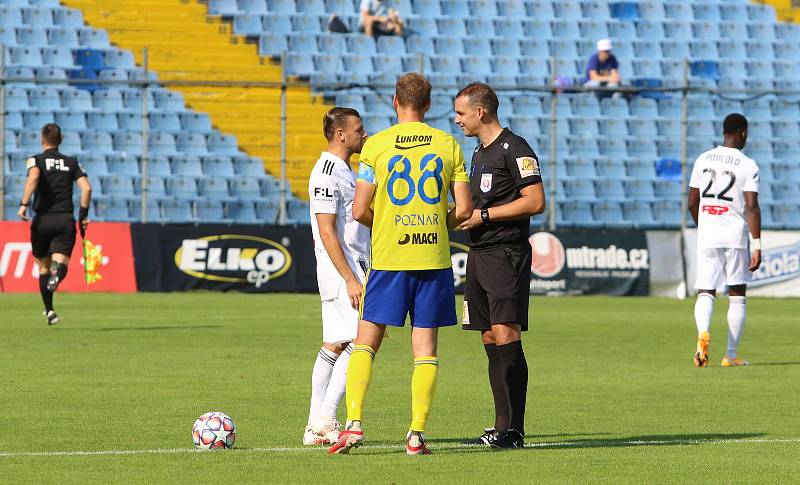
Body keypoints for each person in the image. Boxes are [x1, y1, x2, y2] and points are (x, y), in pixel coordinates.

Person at [328, 73, 473, 455]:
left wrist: (391, 224)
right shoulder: (448, 145)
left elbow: (359, 210)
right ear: (428, 105)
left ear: (395, 102)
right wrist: (438, 223)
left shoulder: (375, 146)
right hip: (432, 258)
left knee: (365, 344)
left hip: (390, 260)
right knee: (425, 350)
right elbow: (467, 209)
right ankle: (416, 434)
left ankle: (354, 425)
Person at [454, 83, 546, 449]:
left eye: (461, 112)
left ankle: (514, 430)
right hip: (478, 255)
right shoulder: (478, 153)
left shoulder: (515, 148)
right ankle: (500, 426)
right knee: (489, 336)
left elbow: (536, 201)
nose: (456, 119)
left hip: (505, 253)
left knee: (506, 334)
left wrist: (486, 215)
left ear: (480, 112)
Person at [304, 107, 371, 446]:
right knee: (362, 341)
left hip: (350, 265)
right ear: (341, 134)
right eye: (359, 129)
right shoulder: (327, 171)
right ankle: (326, 417)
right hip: (341, 268)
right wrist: (349, 278)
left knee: (336, 342)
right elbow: (327, 230)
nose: (364, 133)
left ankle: (312, 426)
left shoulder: (344, 169)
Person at [688, 113, 761, 368]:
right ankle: (730, 355)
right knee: (737, 294)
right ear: (741, 133)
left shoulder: (703, 159)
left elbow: (692, 202)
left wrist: (704, 225)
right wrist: (758, 244)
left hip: (708, 234)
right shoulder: (747, 164)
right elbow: (752, 207)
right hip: (735, 236)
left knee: (705, 291)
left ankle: (702, 334)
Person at [17, 123, 92, 325]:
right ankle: (57, 276)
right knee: (60, 263)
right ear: (60, 140)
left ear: (43, 140)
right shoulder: (72, 162)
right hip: (64, 219)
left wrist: (24, 204)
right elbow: (86, 188)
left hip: (42, 220)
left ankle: (49, 311)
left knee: (43, 267)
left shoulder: (35, 160)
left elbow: (33, 177)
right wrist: (83, 215)